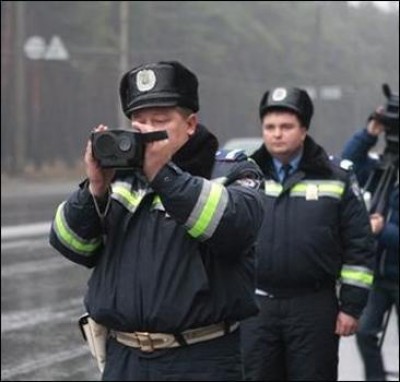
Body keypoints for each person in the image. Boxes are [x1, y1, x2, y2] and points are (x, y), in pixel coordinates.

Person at [49, 60, 266, 381]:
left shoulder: (232, 171)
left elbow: (235, 228)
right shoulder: (119, 177)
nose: (147, 130)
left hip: (200, 358)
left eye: (160, 121)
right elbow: (71, 244)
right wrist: (95, 188)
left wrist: (163, 174)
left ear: (190, 124)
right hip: (124, 357)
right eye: (139, 121)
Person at [240, 86, 376, 381]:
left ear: (303, 130)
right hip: (255, 308)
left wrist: (351, 307)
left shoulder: (336, 176)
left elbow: (359, 244)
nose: (277, 134)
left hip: (313, 306)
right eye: (270, 127)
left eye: (286, 127)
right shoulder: (245, 175)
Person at [342, 109, 399, 381]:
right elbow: (346, 164)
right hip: (378, 274)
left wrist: (381, 230)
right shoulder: (382, 168)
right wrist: (369, 133)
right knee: (364, 333)